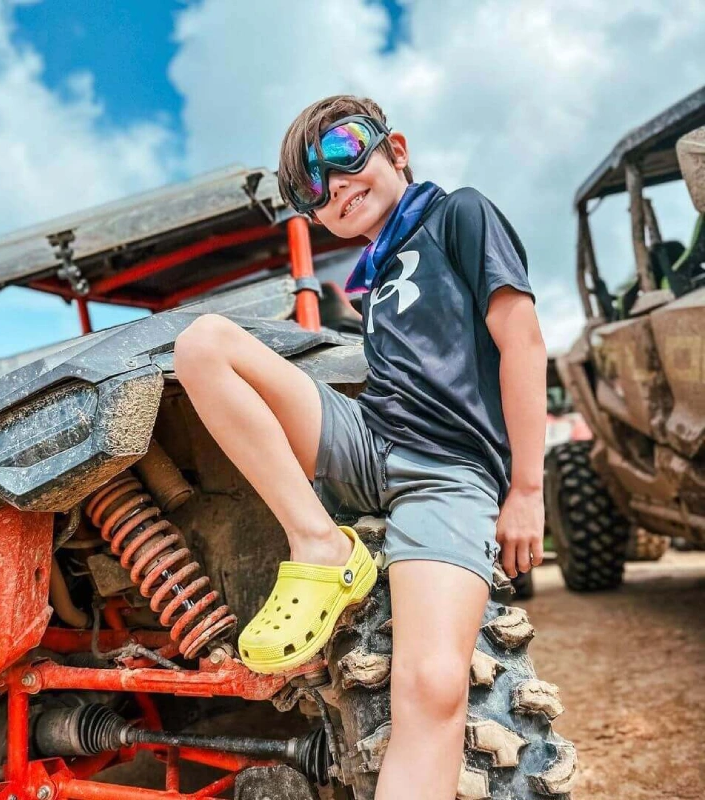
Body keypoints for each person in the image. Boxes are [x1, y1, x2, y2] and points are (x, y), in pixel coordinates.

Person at [173, 94, 547, 800]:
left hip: (446, 471)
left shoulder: (459, 214)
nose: (334, 184)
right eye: (309, 186)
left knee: (430, 683)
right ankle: (317, 543)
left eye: (345, 153)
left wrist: (526, 488)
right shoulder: (372, 281)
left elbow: (521, 341)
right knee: (203, 342)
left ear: (396, 150)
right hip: (370, 445)